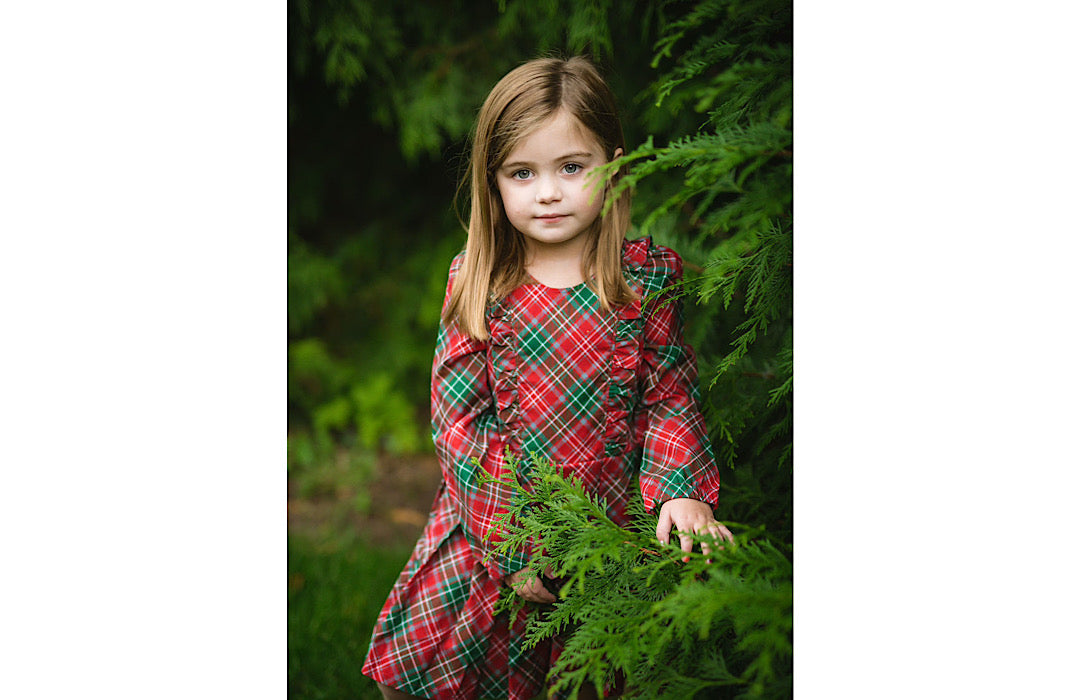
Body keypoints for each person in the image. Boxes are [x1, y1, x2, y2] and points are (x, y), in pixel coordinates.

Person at [362, 55, 733, 700]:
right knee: (442, 677)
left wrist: (681, 490)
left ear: (613, 166)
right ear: (494, 183)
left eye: (571, 167)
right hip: (498, 530)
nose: (549, 191)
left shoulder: (643, 282)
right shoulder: (481, 284)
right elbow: (459, 424)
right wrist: (514, 539)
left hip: (604, 529)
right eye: (522, 173)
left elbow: (669, 398)